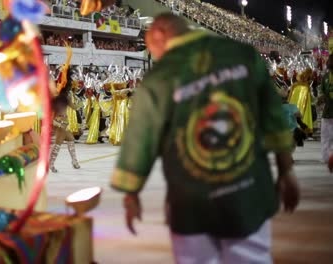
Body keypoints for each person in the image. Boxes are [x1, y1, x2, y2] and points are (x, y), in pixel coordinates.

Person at [110, 13, 300, 263]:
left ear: (160, 34)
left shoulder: (159, 77)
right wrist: (286, 171)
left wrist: (131, 193)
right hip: (247, 189)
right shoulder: (242, 54)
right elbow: (272, 116)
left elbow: (140, 140)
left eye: (149, 46)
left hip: (191, 201)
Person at [49, 69, 81, 173]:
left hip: (63, 124)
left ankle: (74, 161)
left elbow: (75, 107)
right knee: (58, 144)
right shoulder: (57, 98)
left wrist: (81, 103)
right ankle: (51, 164)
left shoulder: (65, 97)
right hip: (59, 124)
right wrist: (54, 122)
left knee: (71, 139)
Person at [319, 55, 333, 163]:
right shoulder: (326, 77)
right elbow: (322, 91)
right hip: (327, 112)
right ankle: (326, 158)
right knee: (325, 137)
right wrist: (321, 98)